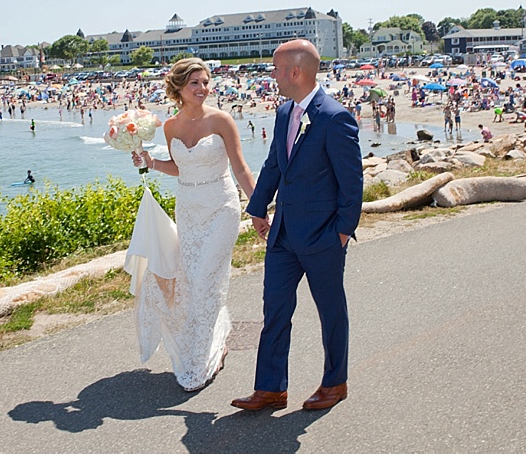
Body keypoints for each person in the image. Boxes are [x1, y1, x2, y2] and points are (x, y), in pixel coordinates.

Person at [232, 39, 363, 412]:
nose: (271, 76)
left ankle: (335, 382)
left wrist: (340, 233)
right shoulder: (283, 112)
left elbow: (352, 184)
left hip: (323, 236)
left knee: (330, 310)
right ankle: (271, 388)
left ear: (295, 72)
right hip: (283, 235)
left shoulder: (334, 117)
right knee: (274, 310)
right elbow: (275, 164)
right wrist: (258, 209)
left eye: (275, 69)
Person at [132, 57, 257, 392]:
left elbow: (242, 169)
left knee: (204, 281)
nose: (203, 89)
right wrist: (150, 162)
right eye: (195, 84)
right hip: (187, 209)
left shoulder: (222, 120)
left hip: (221, 207)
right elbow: (179, 167)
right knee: (191, 282)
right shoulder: (170, 126)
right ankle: (214, 338)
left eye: (205, 82)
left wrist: (258, 209)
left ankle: (204, 357)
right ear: (179, 89)